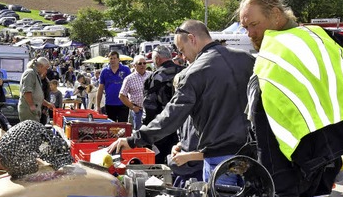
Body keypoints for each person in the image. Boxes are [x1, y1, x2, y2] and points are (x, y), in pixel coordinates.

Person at [239, 0, 343, 197]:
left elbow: (264, 128)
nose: (249, 33)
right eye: (245, 27)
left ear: (277, 15)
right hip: (327, 161)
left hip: (287, 175)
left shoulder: (271, 60)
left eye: (254, 25)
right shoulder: (326, 38)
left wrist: (274, 187)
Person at [107, 20, 255, 183]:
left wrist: (134, 140)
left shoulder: (194, 72)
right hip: (251, 156)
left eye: (183, 50)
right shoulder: (247, 59)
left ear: (192, 39)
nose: (183, 57)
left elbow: (171, 116)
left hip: (219, 159)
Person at [141, 45, 185, 163]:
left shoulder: (155, 77)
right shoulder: (184, 71)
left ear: (157, 59)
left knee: (161, 161)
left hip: (162, 126)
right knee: (180, 159)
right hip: (183, 125)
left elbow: (149, 106)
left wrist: (147, 129)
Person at [95, 51, 131, 122]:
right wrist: (98, 106)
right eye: (111, 58)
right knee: (111, 128)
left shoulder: (125, 70)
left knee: (123, 127)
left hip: (123, 103)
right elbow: (100, 89)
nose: (112, 60)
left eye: (114, 58)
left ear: (118, 59)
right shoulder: (104, 71)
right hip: (109, 104)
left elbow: (131, 85)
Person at [118, 55, 151, 130]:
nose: (142, 65)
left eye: (144, 63)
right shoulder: (129, 79)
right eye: (140, 63)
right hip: (138, 111)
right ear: (134, 65)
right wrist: (133, 107)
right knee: (138, 134)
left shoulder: (151, 75)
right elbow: (121, 95)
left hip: (150, 110)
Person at [18, 57, 55, 123]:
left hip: (33, 110)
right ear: (41, 66)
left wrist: (48, 104)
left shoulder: (36, 74)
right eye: (46, 69)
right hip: (29, 110)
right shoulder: (30, 73)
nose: (46, 71)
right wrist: (32, 106)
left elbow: (37, 95)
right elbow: (27, 91)